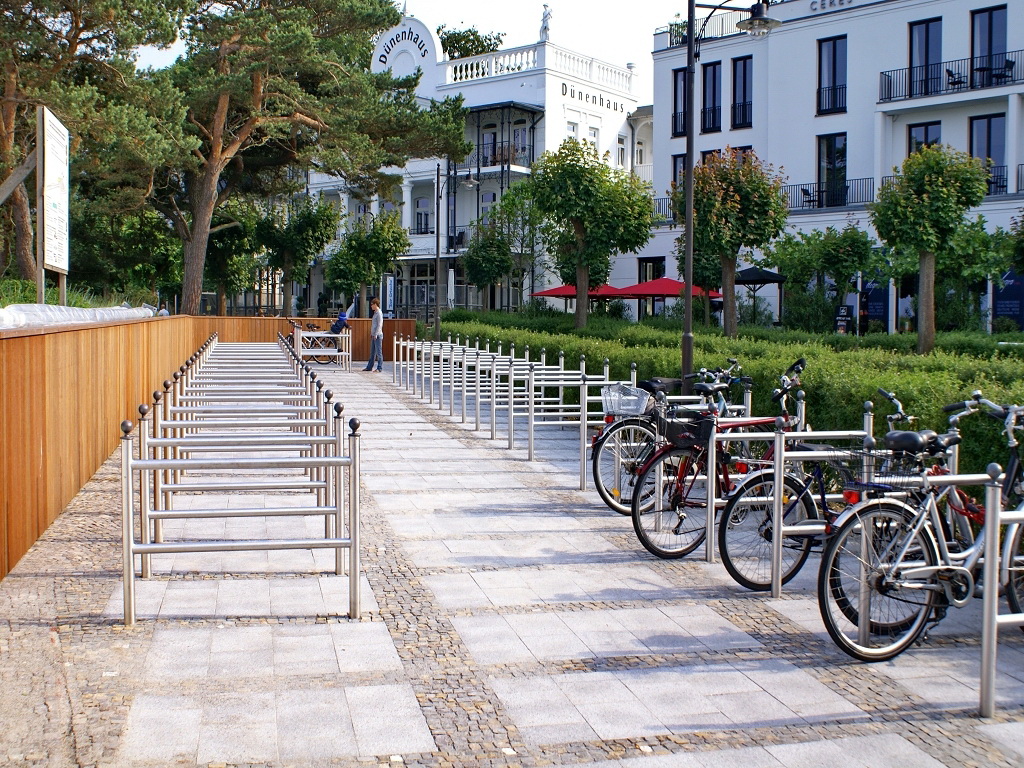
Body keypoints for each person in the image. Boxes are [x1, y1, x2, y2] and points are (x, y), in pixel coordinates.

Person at [363, 297, 384, 372]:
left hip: (377, 335)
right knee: (372, 352)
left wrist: (376, 334)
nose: (371, 306)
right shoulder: (375, 313)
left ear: (375, 304)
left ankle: (379, 368)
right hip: (374, 335)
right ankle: (369, 367)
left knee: (379, 352)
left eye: (372, 304)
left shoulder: (379, 313)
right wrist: (372, 333)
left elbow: (379, 325)